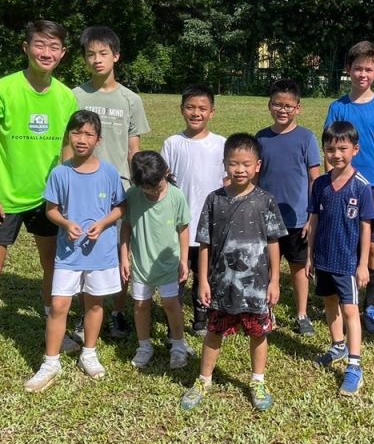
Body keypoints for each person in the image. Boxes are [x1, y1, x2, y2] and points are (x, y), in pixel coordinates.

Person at [0, 20, 79, 377]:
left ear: (63, 54)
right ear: (26, 47)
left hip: (46, 200)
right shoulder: (1, 89)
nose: (46, 53)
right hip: (3, 198)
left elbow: (67, 150)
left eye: (54, 47)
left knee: (52, 267)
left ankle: (54, 329)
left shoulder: (66, 96)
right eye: (39, 45)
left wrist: (65, 194)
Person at [180, 134, 287, 412]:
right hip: (221, 284)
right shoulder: (214, 200)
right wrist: (202, 279)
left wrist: (275, 280)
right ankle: (203, 380)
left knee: (258, 333)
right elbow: (203, 243)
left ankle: (258, 380)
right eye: (233, 163)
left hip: (256, 287)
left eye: (246, 164)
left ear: (258, 166)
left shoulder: (265, 200)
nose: (239, 169)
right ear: (224, 164)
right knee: (213, 332)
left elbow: (274, 241)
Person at [24, 110, 125, 392]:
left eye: (88, 134)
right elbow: (51, 210)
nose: (82, 139)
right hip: (68, 254)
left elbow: (120, 207)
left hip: (101, 252)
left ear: (98, 139)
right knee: (59, 305)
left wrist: (103, 223)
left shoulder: (108, 172)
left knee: (94, 303)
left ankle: (89, 352)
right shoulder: (60, 173)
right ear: (69, 135)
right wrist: (66, 223)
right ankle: (50, 361)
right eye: (77, 133)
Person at [72, 25, 150, 342]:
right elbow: (68, 143)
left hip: (118, 187)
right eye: (90, 54)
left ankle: (118, 313)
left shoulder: (130, 99)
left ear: (116, 56)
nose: (97, 59)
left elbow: (134, 148)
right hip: (81, 186)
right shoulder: (74, 96)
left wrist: (139, 184)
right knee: (82, 249)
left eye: (103, 53)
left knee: (120, 252)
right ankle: (85, 313)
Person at [324, 41, 374, 334]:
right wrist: (332, 185)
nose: (362, 74)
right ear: (347, 70)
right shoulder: (337, 107)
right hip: (343, 186)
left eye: (368, 68)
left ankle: (373, 305)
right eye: (357, 68)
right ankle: (344, 298)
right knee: (345, 242)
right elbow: (329, 147)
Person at [307, 121, 374, 396]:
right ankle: (338, 345)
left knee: (350, 311)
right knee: (329, 303)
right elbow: (314, 220)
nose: (336, 154)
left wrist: (362, 264)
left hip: (347, 262)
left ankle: (355, 365)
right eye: (331, 149)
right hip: (323, 258)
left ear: (355, 150)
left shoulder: (361, 187)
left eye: (343, 149)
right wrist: (310, 255)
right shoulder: (320, 184)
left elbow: (366, 227)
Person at [256, 79, 321, 336]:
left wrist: (311, 216)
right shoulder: (261, 137)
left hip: (297, 219)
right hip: (267, 219)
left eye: (288, 106)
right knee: (266, 269)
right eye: (277, 105)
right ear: (269, 106)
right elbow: (255, 178)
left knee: (299, 268)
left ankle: (302, 313)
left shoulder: (306, 138)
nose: (282, 110)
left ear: (298, 108)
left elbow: (315, 178)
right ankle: (266, 312)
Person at [161, 85, 226, 337]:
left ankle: (201, 317)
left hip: (210, 224)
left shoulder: (221, 144)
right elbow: (164, 182)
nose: (196, 113)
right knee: (178, 273)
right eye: (190, 107)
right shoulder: (172, 143)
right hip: (178, 226)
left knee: (205, 274)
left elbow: (227, 181)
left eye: (202, 108)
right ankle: (173, 321)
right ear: (181, 110)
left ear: (212, 112)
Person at [120, 151, 192, 370]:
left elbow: (183, 229)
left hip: (168, 263)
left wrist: (184, 260)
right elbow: (126, 226)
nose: (152, 191)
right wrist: (124, 257)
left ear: (166, 173)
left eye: (156, 186)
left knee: (171, 304)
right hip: (142, 264)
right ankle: (144, 346)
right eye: (146, 188)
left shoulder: (176, 196)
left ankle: (178, 345)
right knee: (141, 305)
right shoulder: (132, 195)